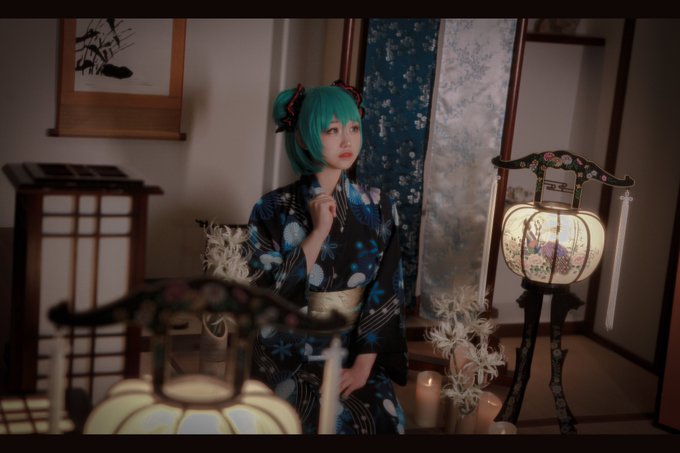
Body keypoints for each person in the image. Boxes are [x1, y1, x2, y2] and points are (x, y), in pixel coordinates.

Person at [245, 81, 408, 434]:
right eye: (332, 130)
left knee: (379, 416)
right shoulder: (270, 208)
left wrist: (362, 367)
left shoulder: (381, 206)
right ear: (303, 139)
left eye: (353, 128)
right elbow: (266, 296)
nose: (347, 141)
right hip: (290, 352)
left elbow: (387, 292)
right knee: (305, 417)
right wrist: (318, 233)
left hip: (354, 350)